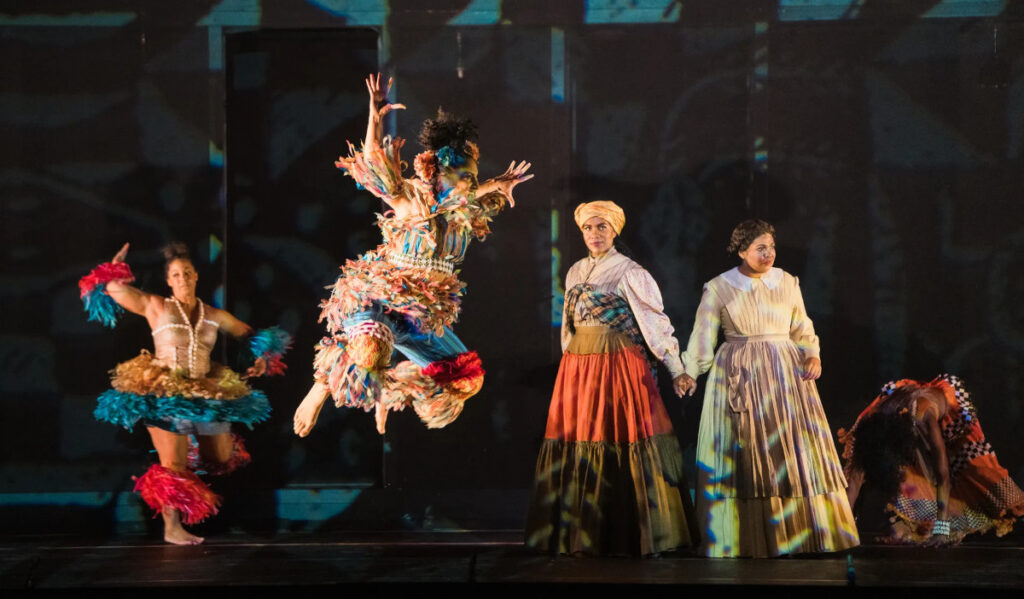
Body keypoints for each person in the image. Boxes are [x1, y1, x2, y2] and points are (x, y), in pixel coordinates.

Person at [293, 73, 532, 436]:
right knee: (370, 353)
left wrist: (496, 185)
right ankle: (319, 389)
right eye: (463, 176)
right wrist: (375, 117)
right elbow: (373, 160)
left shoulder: (464, 212)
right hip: (379, 301)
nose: (470, 184)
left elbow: (469, 195)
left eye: (473, 177)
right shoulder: (410, 199)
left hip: (423, 316)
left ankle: (387, 391)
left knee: (466, 380)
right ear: (435, 173)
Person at [80, 242, 290, 545]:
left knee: (220, 457)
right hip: (164, 392)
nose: (182, 279)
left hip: (203, 392)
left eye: (187, 273)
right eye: (176, 275)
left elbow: (247, 333)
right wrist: (115, 270)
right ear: (168, 280)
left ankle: (190, 447)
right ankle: (172, 528)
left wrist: (259, 359)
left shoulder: (214, 315)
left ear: (196, 277)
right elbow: (116, 291)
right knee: (172, 466)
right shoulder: (156, 306)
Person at [524, 201, 697, 556]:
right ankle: (581, 531)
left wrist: (676, 369)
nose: (595, 234)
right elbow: (569, 328)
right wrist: (570, 366)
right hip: (580, 367)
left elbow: (655, 323)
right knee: (581, 437)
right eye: (589, 228)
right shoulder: (574, 271)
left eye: (602, 227)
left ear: (615, 231)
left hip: (618, 363)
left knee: (620, 434)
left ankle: (637, 532)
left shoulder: (630, 272)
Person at [678, 219, 858, 557]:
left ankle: (802, 532)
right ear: (742, 250)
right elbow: (703, 337)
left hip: (784, 374)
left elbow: (802, 325)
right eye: (761, 248)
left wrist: (811, 355)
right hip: (740, 371)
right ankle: (746, 536)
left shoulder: (787, 282)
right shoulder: (720, 287)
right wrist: (689, 372)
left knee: (790, 451)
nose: (768, 253)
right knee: (747, 453)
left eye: (772, 247)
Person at [840, 374, 1024, 545]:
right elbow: (855, 479)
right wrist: (841, 528)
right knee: (871, 468)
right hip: (896, 416)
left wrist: (941, 529)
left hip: (945, 411)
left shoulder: (925, 420)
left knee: (979, 471)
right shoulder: (870, 423)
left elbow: (942, 476)